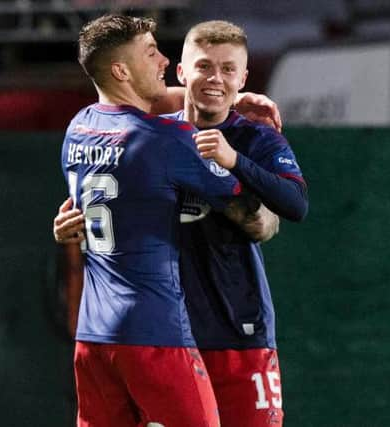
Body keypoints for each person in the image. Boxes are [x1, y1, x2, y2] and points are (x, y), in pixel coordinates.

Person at [55, 19, 308, 427]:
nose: (216, 78)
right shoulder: (163, 137)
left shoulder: (255, 137)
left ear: (243, 78)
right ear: (182, 73)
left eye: (229, 71)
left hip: (232, 326)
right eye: (204, 67)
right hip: (165, 331)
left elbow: (278, 216)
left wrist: (238, 162)